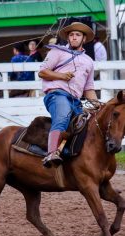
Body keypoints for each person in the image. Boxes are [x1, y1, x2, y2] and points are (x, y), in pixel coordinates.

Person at [38, 22, 98, 168]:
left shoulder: (88, 61)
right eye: (71, 35)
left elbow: (88, 88)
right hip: (57, 95)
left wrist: (97, 106)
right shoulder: (57, 52)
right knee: (63, 115)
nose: (74, 37)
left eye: (78, 35)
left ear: (84, 39)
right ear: (68, 38)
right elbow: (42, 72)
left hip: (75, 100)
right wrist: (61, 76)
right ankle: (51, 153)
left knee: (86, 126)